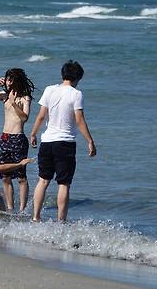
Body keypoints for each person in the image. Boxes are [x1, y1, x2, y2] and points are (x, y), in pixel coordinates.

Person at [29, 60, 97, 222]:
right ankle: (61, 221)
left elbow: (41, 116)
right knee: (64, 184)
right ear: (77, 78)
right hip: (65, 143)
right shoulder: (76, 94)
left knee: (43, 180)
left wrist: (33, 134)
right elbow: (79, 120)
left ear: (63, 74)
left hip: (47, 141)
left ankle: (35, 217)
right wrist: (90, 141)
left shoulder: (49, 90)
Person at [0, 68, 35, 212]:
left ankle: (22, 210)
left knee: (21, 177)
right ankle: (10, 208)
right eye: (6, 79)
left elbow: (25, 117)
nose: (7, 82)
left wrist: (14, 103)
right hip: (4, 138)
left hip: (18, 138)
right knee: (5, 176)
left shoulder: (25, 98)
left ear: (16, 80)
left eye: (10, 79)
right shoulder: (4, 95)